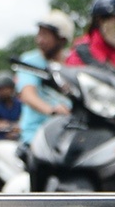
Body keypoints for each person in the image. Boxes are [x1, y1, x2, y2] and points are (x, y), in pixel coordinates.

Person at [15, 11, 75, 139]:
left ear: (61, 39)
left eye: (45, 35)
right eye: (39, 34)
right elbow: (27, 94)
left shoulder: (74, 63)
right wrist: (52, 110)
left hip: (68, 132)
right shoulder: (29, 61)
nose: (39, 40)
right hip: (36, 135)